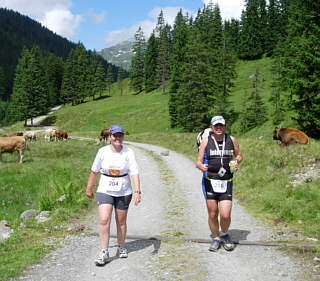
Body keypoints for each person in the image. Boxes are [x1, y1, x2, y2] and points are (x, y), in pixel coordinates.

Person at [86, 124, 141, 265]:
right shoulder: (102, 151)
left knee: (121, 221)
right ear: (110, 136)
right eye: (115, 135)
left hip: (124, 190)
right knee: (104, 220)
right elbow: (94, 170)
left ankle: (121, 245)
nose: (117, 138)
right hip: (105, 188)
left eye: (120, 135)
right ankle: (104, 252)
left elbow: (134, 172)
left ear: (122, 137)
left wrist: (137, 191)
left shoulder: (129, 152)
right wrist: (89, 187)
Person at [196, 116, 242, 252]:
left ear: (225, 126)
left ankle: (225, 234)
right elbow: (198, 161)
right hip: (210, 181)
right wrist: (201, 166)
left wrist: (237, 162)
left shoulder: (231, 140)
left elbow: (239, 155)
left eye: (221, 125)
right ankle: (216, 238)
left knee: (225, 214)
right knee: (212, 213)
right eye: (216, 126)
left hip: (226, 181)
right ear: (211, 127)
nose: (218, 128)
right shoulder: (206, 141)